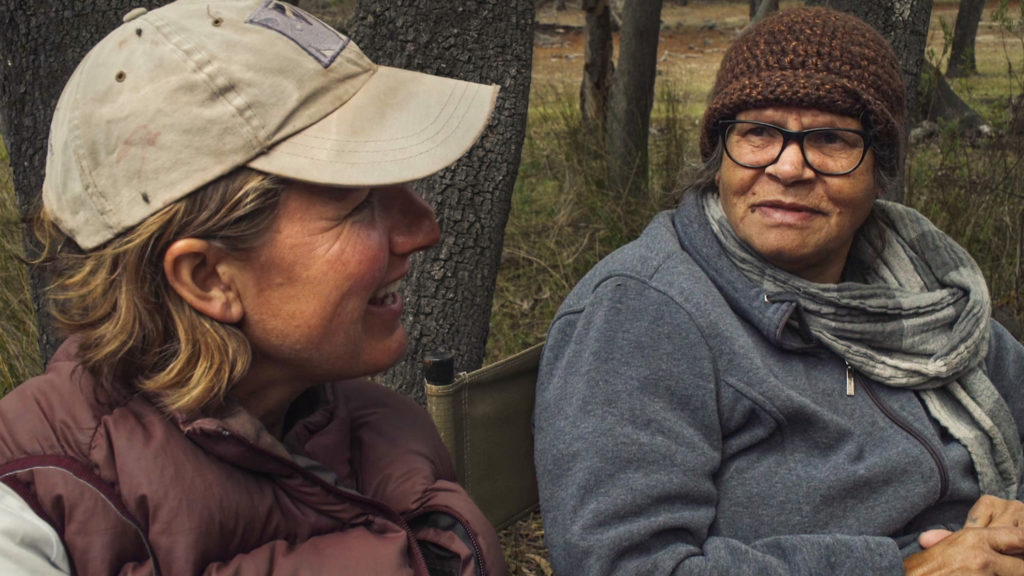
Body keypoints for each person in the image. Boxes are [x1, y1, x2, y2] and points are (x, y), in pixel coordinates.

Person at [0, 0, 507, 574]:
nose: (425, 230)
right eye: (360, 203)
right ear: (209, 278)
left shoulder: (380, 427)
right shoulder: (30, 516)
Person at [534, 6, 1024, 576]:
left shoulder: (920, 289)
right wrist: (905, 570)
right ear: (721, 154)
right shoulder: (645, 313)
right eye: (759, 133)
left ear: (880, 168)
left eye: (831, 139)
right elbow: (624, 564)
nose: (789, 167)